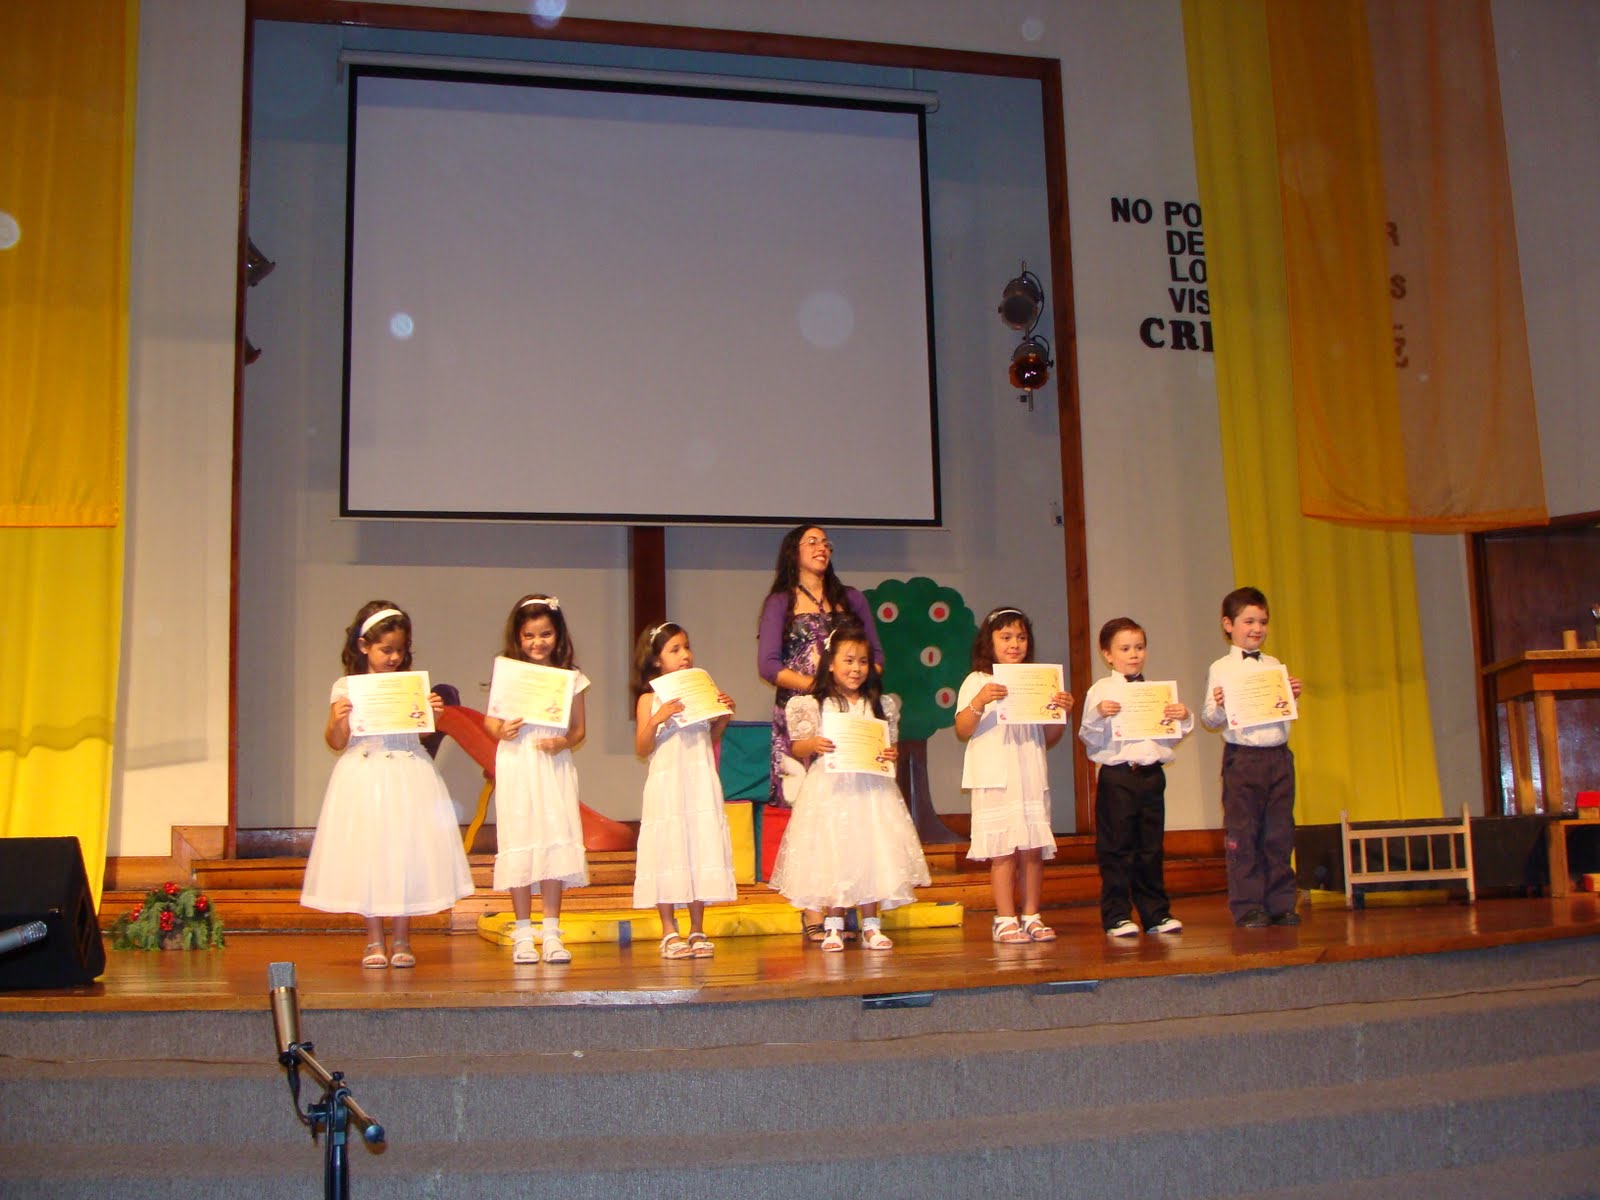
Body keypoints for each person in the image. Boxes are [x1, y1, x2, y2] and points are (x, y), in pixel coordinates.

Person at [301, 601, 474, 969]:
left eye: (400, 650)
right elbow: (335, 741)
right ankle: (373, 940)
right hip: (365, 774)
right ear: (364, 647)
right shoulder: (347, 686)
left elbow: (422, 733)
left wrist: (433, 716)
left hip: (407, 773)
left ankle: (402, 939)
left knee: (404, 854)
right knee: (371, 855)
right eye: (386, 650)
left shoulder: (408, 687)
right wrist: (337, 719)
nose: (394, 657)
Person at [768, 620, 930, 952]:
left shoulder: (879, 705)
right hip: (830, 790)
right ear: (831, 664)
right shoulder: (812, 704)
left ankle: (871, 924)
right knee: (833, 852)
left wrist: (889, 753)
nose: (856, 669)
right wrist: (813, 742)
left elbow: (889, 750)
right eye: (848, 660)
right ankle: (833, 925)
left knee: (869, 851)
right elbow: (796, 746)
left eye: (862, 661)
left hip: (871, 791)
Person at [756, 523, 882, 942]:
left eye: (826, 542)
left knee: (853, 812)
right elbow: (769, 665)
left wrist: (857, 685)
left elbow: (877, 657)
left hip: (850, 715)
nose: (821, 547)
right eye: (811, 541)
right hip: (804, 714)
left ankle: (847, 904)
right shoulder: (780, 602)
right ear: (793, 552)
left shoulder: (853, 599)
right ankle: (813, 910)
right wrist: (818, 689)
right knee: (811, 814)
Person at [954, 606, 1074, 944]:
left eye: (1021, 637)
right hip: (996, 775)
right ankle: (1005, 918)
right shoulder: (977, 680)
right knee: (1004, 851)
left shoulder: (1036, 680)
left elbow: (1049, 738)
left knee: (1033, 849)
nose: (1014, 644)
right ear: (988, 642)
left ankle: (1032, 915)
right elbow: (963, 729)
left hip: (1029, 772)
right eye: (1005, 637)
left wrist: (1059, 713)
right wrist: (980, 701)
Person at [483, 594, 589, 965]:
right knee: (521, 841)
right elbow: (491, 722)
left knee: (553, 841)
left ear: (557, 635)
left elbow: (578, 730)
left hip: (552, 764)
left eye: (545, 634)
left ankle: (552, 932)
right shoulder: (509, 673)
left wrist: (562, 741)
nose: (537, 642)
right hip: (517, 762)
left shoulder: (571, 678)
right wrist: (503, 730)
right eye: (529, 635)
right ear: (518, 637)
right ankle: (523, 933)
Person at [1078, 617, 1192, 939]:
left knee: (1151, 848)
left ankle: (1155, 914)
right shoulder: (1101, 690)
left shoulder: (1155, 691)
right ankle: (1116, 916)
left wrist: (1182, 718)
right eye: (1125, 648)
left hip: (1151, 775)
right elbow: (1089, 738)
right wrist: (1100, 714)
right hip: (1118, 777)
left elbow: (1168, 738)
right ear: (1107, 654)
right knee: (1116, 848)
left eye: (1139, 647)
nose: (1134, 655)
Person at [631, 621, 740, 959]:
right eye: (674, 649)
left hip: (699, 778)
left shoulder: (700, 689)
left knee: (698, 844)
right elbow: (642, 747)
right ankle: (668, 930)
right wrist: (658, 717)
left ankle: (697, 928)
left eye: (686, 647)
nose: (685, 655)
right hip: (667, 782)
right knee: (668, 847)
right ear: (655, 660)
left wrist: (722, 715)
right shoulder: (648, 699)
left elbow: (711, 738)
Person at [1200, 586, 1304, 928]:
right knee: (1243, 834)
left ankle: (1281, 903)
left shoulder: (1274, 664)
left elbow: (1281, 716)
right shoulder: (1221, 668)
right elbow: (1209, 720)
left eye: (1263, 621)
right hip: (1243, 759)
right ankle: (1248, 906)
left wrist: (1291, 697)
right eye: (1249, 621)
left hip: (1277, 757)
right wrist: (1220, 703)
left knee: (1279, 833)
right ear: (1228, 625)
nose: (1257, 628)